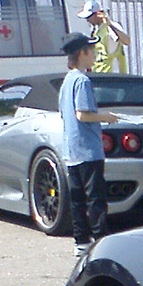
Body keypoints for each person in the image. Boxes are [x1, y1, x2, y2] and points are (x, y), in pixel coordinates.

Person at [58, 31, 118, 254]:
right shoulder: (82, 80)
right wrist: (106, 116)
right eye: (91, 51)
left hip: (71, 148)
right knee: (95, 197)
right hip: (88, 148)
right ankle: (101, 238)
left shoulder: (66, 81)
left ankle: (80, 240)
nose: (94, 54)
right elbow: (83, 114)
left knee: (77, 198)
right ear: (82, 53)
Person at [80, 0, 130, 74]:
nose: (87, 20)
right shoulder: (97, 30)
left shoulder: (111, 27)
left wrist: (109, 24)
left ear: (97, 14)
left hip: (113, 77)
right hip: (100, 75)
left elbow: (126, 41)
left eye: (89, 17)